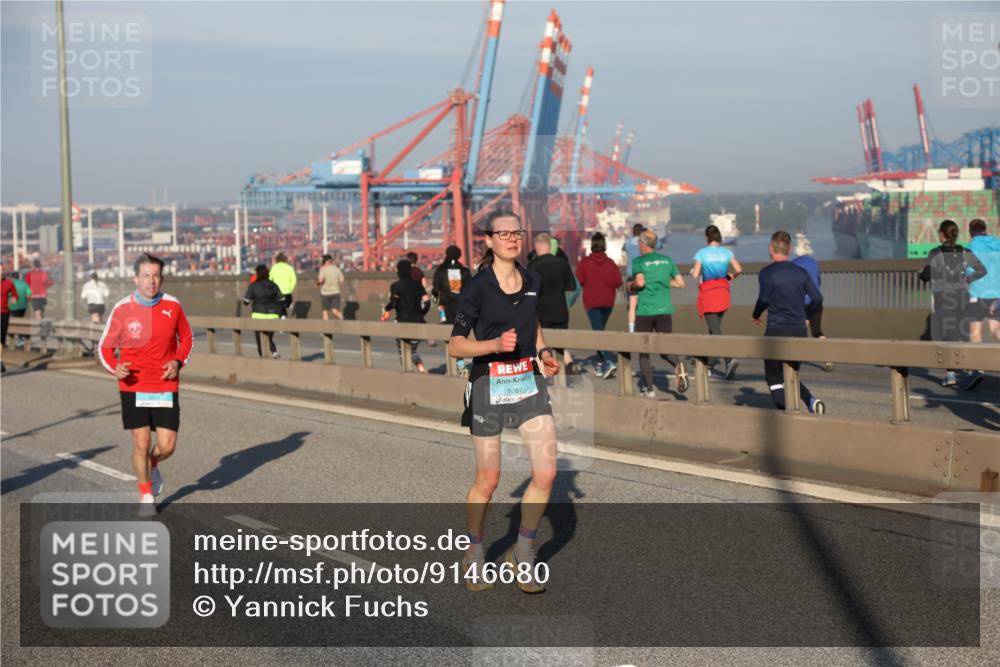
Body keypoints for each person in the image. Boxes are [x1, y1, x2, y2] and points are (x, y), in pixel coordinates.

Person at [448, 209, 560, 595]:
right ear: (490, 241)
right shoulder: (476, 287)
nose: (512, 239)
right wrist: (494, 345)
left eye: (517, 233)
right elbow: (455, 345)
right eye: (504, 233)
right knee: (489, 480)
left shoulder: (534, 280)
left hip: (527, 380)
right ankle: (475, 551)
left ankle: (522, 553)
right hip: (489, 384)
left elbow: (535, 326)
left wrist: (544, 354)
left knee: (546, 474)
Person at [98, 253, 193, 510]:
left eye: (156, 276)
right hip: (133, 385)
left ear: (161, 278)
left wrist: (178, 362)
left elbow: (187, 339)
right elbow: (105, 348)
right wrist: (115, 368)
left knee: (167, 446)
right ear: (135, 278)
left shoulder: (172, 306)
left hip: (164, 385)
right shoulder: (122, 309)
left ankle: (152, 465)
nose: (152, 281)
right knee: (141, 442)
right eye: (146, 276)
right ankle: (146, 495)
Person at [752, 231, 826, 413]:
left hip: (776, 329)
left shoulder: (766, 273)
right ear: (790, 249)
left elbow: (764, 298)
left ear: (771, 249)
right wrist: (807, 317)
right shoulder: (800, 273)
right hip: (799, 331)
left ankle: (790, 411)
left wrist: (756, 314)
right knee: (790, 373)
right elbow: (817, 297)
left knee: (774, 377)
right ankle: (811, 401)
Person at [919, 219, 987, 387]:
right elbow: (982, 270)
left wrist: (923, 274)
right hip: (963, 296)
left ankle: (950, 374)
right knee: (962, 334)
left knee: (948, 335)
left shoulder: (936, 253)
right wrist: (967, 278)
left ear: (942, 234)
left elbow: (927, 276)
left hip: (944, 297)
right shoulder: (965, 251)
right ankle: (972, 368)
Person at [629, 229, 688, 398]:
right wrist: (662, 281)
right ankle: (678, 366)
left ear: (643, 244)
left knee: (644, 351)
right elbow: (681, 283)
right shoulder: (667, 260)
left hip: (646, 311)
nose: (638, 246)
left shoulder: (639, 261)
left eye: (639, 243)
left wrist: (630, 286)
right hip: (664, 310)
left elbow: (640, 282)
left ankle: (649, 389)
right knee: (665, 348)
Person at [691, 224, 742, 379]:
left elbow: (695, 274)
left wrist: (693, 271)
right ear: (719, 237)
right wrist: (730, 276)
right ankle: (709, 361)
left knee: (716, 330)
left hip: (708, 292)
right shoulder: (727, 252)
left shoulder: (701, 253)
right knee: (714, 328)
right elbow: (739, 269)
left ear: (707, 237)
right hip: (723, 291)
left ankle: (728, 359)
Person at [527, 232, 580, 374]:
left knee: (541, 346)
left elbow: (527, 289)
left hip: (541, 312)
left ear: (538, 246)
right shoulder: (562, 264)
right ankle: (566, 367)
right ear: (550, 246)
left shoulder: (533, 265)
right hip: (561, 311)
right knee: (560, 344)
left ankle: (545, 376)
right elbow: (572, 286)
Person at [575, 231, 622, 378]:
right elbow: (618, 282)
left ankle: (608, 361)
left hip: (592, 302)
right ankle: (602, 364)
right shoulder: (611, 263)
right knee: (600, 330)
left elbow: (579, 281)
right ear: (604, 245)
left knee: (598, 333)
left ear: (592, 245)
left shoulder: (585, 263)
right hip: (608, 302)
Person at [962, 219, 1000, 390]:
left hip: (978, 293)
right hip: (997, 294)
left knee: (975, 331)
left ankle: (977, 368)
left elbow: (970, 270)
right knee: (995, 329)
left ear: (971, 232)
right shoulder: (997, 244)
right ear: (986, 229)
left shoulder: (971, 247)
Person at [791, 237, 835, 373]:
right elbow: (818, 281)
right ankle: (828, 358)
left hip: (801, 302)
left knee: (797, 330)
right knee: (817, 332)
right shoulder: (814, 263)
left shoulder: (793, 264)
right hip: (816, 301)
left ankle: (796, 359)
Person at [383, 259, 430, 373]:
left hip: (402, 321)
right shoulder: (417, 284)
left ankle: (409, 372)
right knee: (413, 349)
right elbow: (427, 301)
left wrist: (387, 309)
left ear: (399, 271)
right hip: (418, 321)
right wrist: (422, 313)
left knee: (402, 350)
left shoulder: (395, 286)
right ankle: (421, 367)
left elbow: (394, 302)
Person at [432, 245, 472, 375]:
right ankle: (461, 364)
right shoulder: (464, 271)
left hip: (445, 306)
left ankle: (455, 364)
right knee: (460, 334)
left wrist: (435, 302)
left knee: (448, 335)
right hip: (462, 306)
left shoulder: (441, 270)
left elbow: (435, 289)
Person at [243, 264, 283, 358]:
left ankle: (264, 359)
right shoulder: (274, 285)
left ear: (257, 273)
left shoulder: (253, 286)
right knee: (268, 338)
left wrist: (248, 299)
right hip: (273, 315)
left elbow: (246, 302)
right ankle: (274, 352)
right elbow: (281, 299)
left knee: (260, 340)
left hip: (258, 315)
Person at [622, 223, 644, 333]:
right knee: (643, 304)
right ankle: (642, 327)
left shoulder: (628, 242)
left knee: (632, 305)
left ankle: (631, 330)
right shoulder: (644, 243)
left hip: (631, 277)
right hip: (644, 276)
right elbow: (659, 245)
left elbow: (623, 249)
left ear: (633, 231)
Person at [315, 254, 345, 321]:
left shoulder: (323, 269)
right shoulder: (336, 269)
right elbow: (342, 280)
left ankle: (326, 330)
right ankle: (342, 318)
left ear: (324, 261)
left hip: (325, 293)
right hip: (335, 292)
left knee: (325, 312)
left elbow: (321, 280)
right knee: (335, 311)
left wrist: (317, 284)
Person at [269, 252, 297, 318]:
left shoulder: (274, 268)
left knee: (278, 308)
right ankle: (287, 307)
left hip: (277, 293)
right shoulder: (289, 268)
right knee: (283, 307)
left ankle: (282, 319)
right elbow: (294, 280)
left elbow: (270, 279)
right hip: (287, 292)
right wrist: (290, 289)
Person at [1, 266, 16, 374]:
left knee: (1, 338)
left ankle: (0, 360)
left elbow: (15, 295)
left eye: (1, 271)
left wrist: (14, 299)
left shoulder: (9, 283)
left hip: (4, 313)